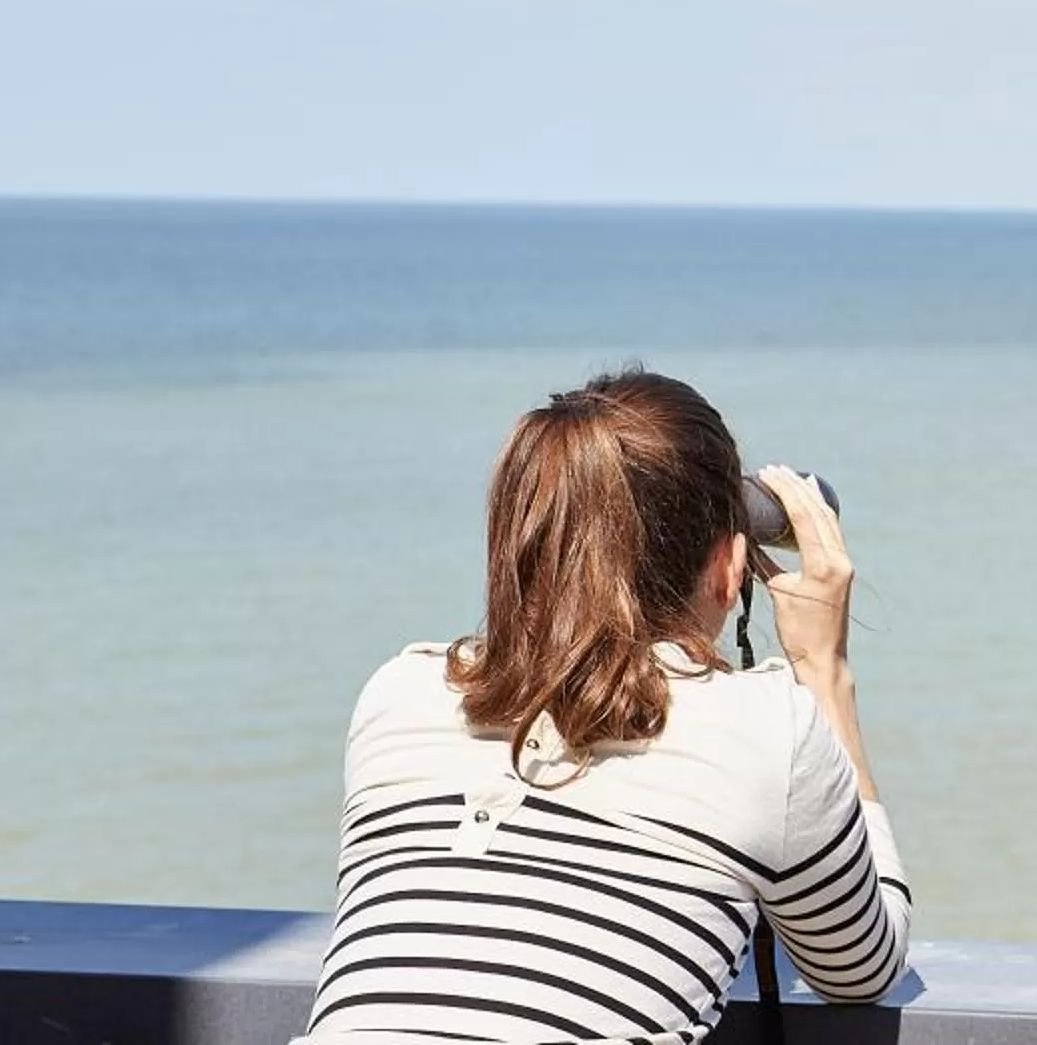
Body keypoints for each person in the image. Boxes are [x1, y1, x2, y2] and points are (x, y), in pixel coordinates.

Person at [296, 369, 909, 1044]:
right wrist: (824, 673)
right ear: (731, 568)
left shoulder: (402, 693)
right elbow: (861, 967)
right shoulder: (769, 730)